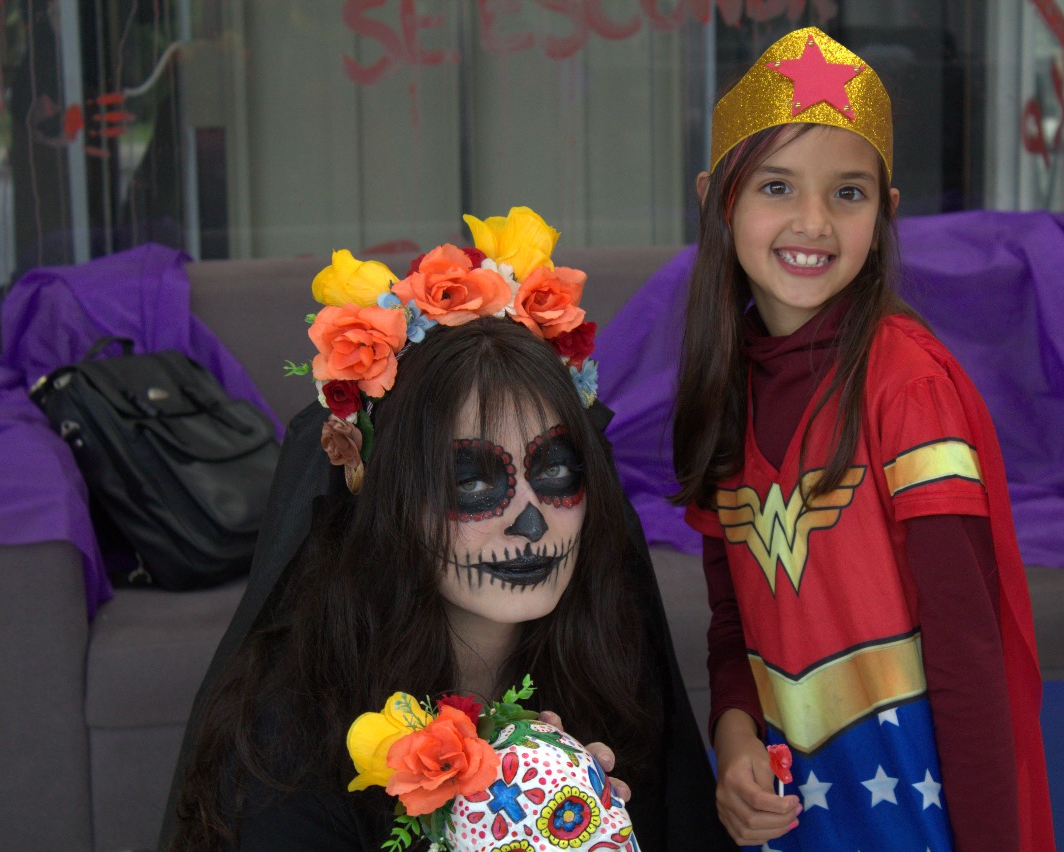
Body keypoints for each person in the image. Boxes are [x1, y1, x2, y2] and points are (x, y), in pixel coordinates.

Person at [164, 220, 733, 851]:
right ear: (388, 499)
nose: (530, 518)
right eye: (470, 480)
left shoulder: (610, 684)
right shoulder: (290, 740)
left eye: (555, 470)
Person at [672, 28, 1054, 851]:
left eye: (849, 193)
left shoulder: (906, 387)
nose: (813, 221)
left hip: (917, 816)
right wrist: (733, 740)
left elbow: (966, 654)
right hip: (796, 819)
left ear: (884, 213)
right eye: (777, 185)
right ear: (717, 199)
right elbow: (731, 627)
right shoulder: (721, 385)